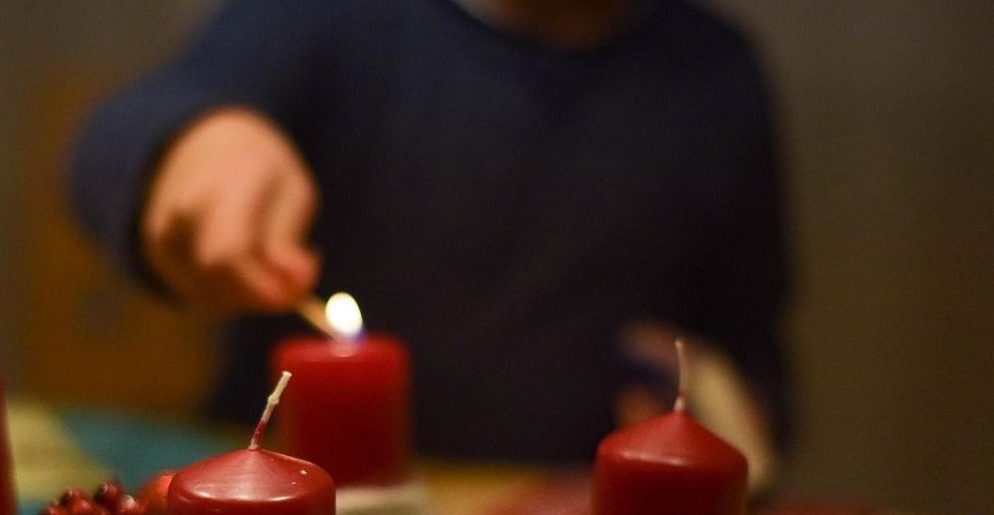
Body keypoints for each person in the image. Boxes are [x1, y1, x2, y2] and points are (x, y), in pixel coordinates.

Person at [70, 0, 789, 472]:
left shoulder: (713, 72)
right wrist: (192, 142)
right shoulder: (328, 17)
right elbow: (119, 137)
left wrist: (731, 418)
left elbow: (752, 350)